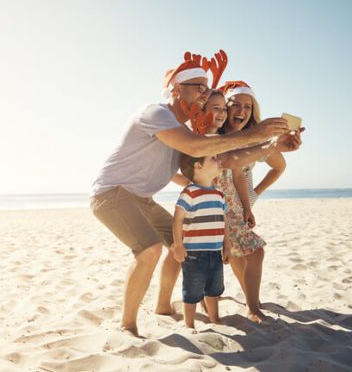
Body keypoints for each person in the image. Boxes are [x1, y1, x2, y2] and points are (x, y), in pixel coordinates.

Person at [90, 50, 304, 337]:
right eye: (200, 88)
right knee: (150, 249)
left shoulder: (188, 129)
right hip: (112, 193)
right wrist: (258, 134)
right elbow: (195, 148)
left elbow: (227, 160)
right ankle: (127, 324)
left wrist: (271, 146)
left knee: (184, 246)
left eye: (207, 89)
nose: (205, 95)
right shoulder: (156, 114)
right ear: (178, 89)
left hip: (143, 200)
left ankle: (163, 306)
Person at [215, 80, 287, 323]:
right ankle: (253, 307)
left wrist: (251, 200)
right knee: (251, 252)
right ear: (224, 108)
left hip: (235, 204)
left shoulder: (254, 139)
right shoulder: (213, 135)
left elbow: (241, 173)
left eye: (248, 107)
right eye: (236, 105)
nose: (241, 112)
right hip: (214, 203)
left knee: (247, 252)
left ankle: (251, 303)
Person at [172, 153, 230, 329]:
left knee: (214, 289)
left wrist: (227, 245)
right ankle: (189, 325)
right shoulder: (189, 192)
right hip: (193, 253)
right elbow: (177, 219)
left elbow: (224, 221)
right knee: (192, 290)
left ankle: (214, 319)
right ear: (198, 166)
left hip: (215, 251)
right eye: (213, 158)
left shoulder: (219, 194)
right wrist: (178, 245)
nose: (218, 160)